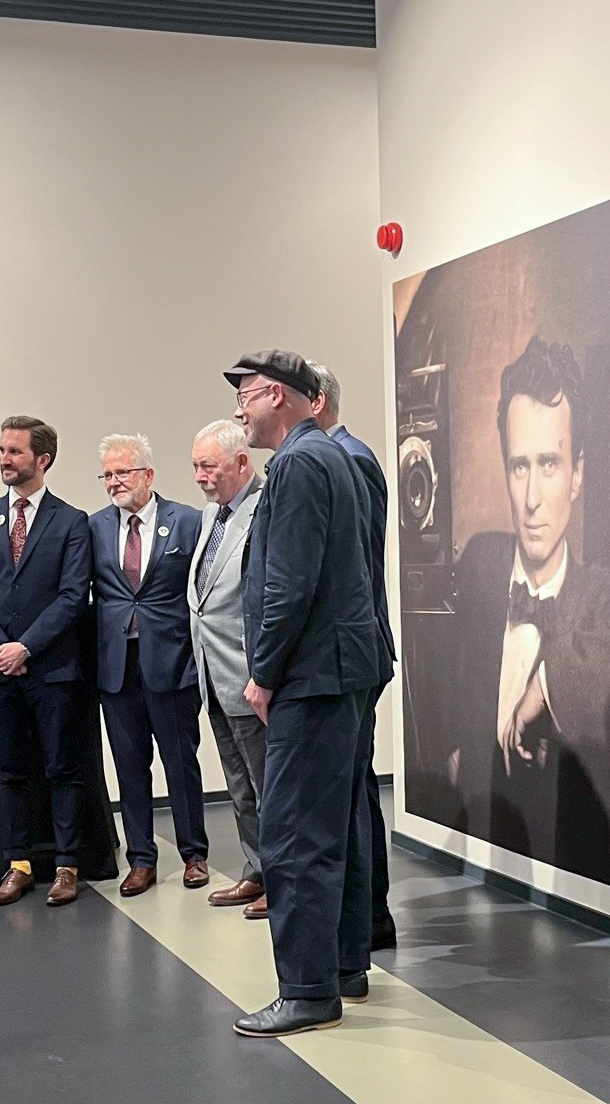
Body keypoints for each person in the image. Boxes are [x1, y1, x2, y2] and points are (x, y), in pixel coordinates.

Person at [446, 337, 610, 900]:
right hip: (474, 860)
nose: (532, 499)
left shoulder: (603, 596)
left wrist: (546, 686)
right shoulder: (481, 564)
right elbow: (452, 684)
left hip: (563, 878)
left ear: (577, 474)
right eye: (519, 466)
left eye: (549, 464)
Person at [225, 350, 381, 1039]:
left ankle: (307, 991)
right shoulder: (332, 456)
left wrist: (262, 674)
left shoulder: (296, 465)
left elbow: (289, 585)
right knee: (337, 826)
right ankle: (343, 965)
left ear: (283, 397)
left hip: (311, 677)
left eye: (249, 395)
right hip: (338, 671)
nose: (240, 409)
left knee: (292, 835)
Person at [0, 415, 92, 907]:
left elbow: (73, 596)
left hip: (51, 669)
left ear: (42, 459)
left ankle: (67, 866)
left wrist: (26, 646)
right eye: (2, 450)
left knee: (62, 769)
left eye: (14, 451)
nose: (4, 460)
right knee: (9, 771)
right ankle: (19, 865)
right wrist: (1, 646)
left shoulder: (71, 521)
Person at [89, 433, 209, 896]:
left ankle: (194, 854)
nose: (114, 482)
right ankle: (140, 859)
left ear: (148, 474)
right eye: (107, 475)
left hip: (172, 663)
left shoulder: (188, 521)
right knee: (129, 766)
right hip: (117, 666)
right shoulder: (94, 527)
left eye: (122, 472)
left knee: (181, 763)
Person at [308, 361, 397, 949]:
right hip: (345, 653)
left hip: (351, 654)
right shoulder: (338, 456)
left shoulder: (351, 460)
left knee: (353, 794)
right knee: (353, 790)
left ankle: (369, 921)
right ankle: (366, 922)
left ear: (314, 401)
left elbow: (356, 567)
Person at [186, 420, 266, 915]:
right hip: (213, 678)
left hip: (250, 679)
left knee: (267, 788)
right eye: (195, 466)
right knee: (240, 789)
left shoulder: (263, 512)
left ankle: (283, 881)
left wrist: (263, 674)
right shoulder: (209, 516)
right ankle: (256, 871)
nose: (200, 476)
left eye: (208, 466)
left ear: (241, 462)